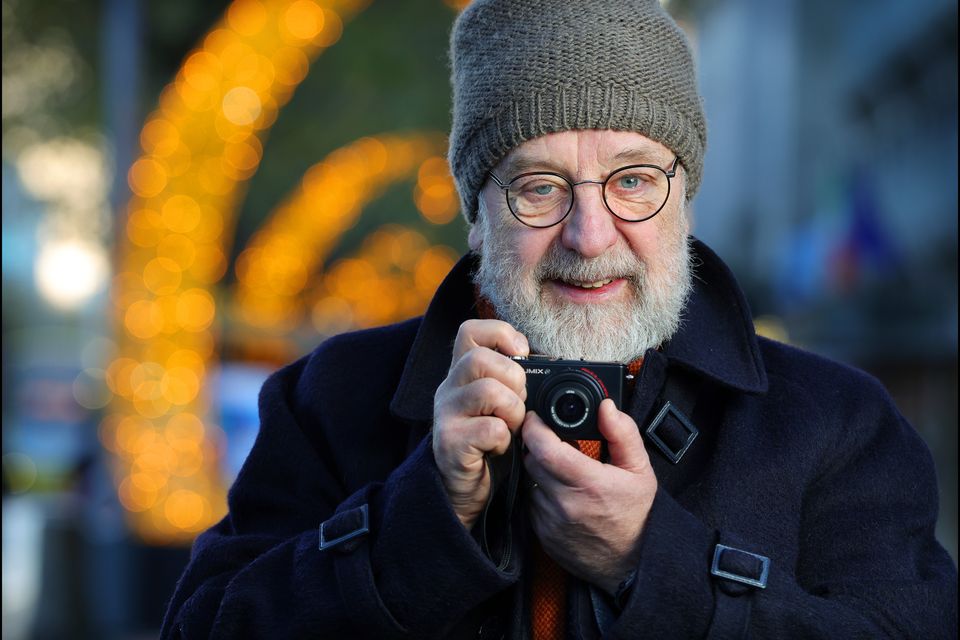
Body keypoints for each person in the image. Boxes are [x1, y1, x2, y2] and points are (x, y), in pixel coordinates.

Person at [160, 1, 958, 638]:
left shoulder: (836, 423)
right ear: (476, 215)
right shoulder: (331, 399)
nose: (589, 235)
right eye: (539, 187)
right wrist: (424, 516)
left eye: (634, 180)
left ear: (685, 198)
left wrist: (652, 561)